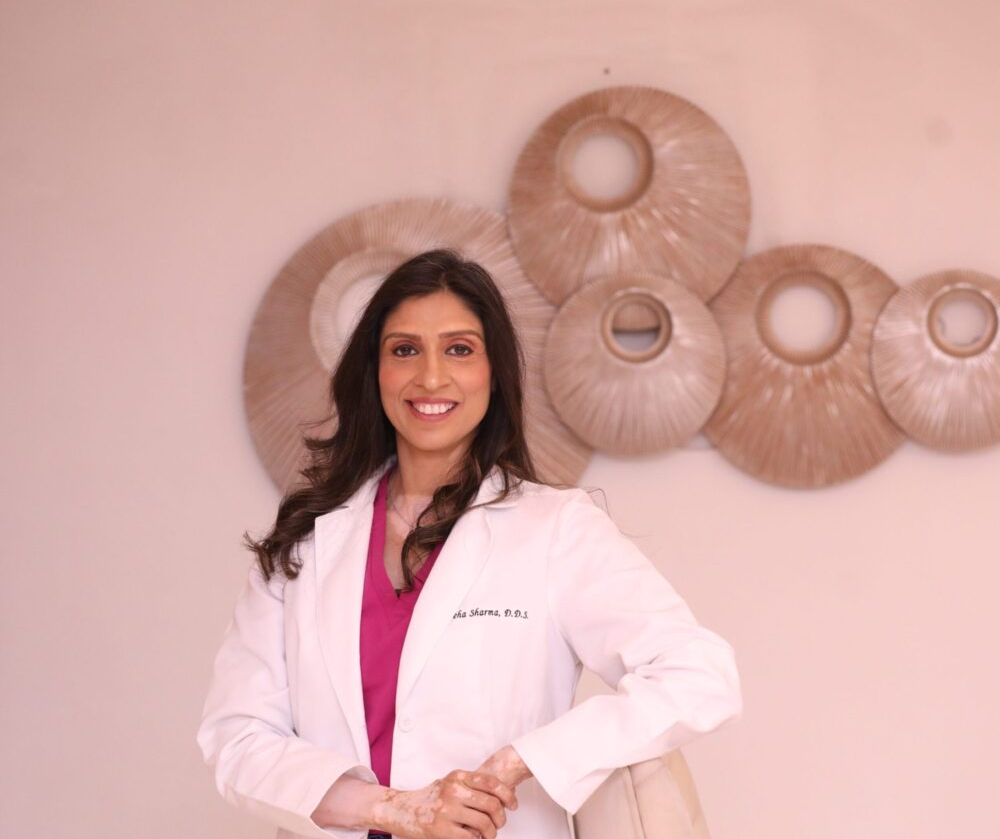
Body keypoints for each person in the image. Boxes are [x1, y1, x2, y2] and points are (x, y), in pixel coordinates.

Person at [197, 248, 743, 839]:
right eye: (405, 350)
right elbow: (237, 736)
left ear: (493, 372)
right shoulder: (306, 541)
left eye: (459, 349)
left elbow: (698, 673)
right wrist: (390, 808)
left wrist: (519, 761)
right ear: (374, 372)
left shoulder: (556, 530)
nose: (431, 377)